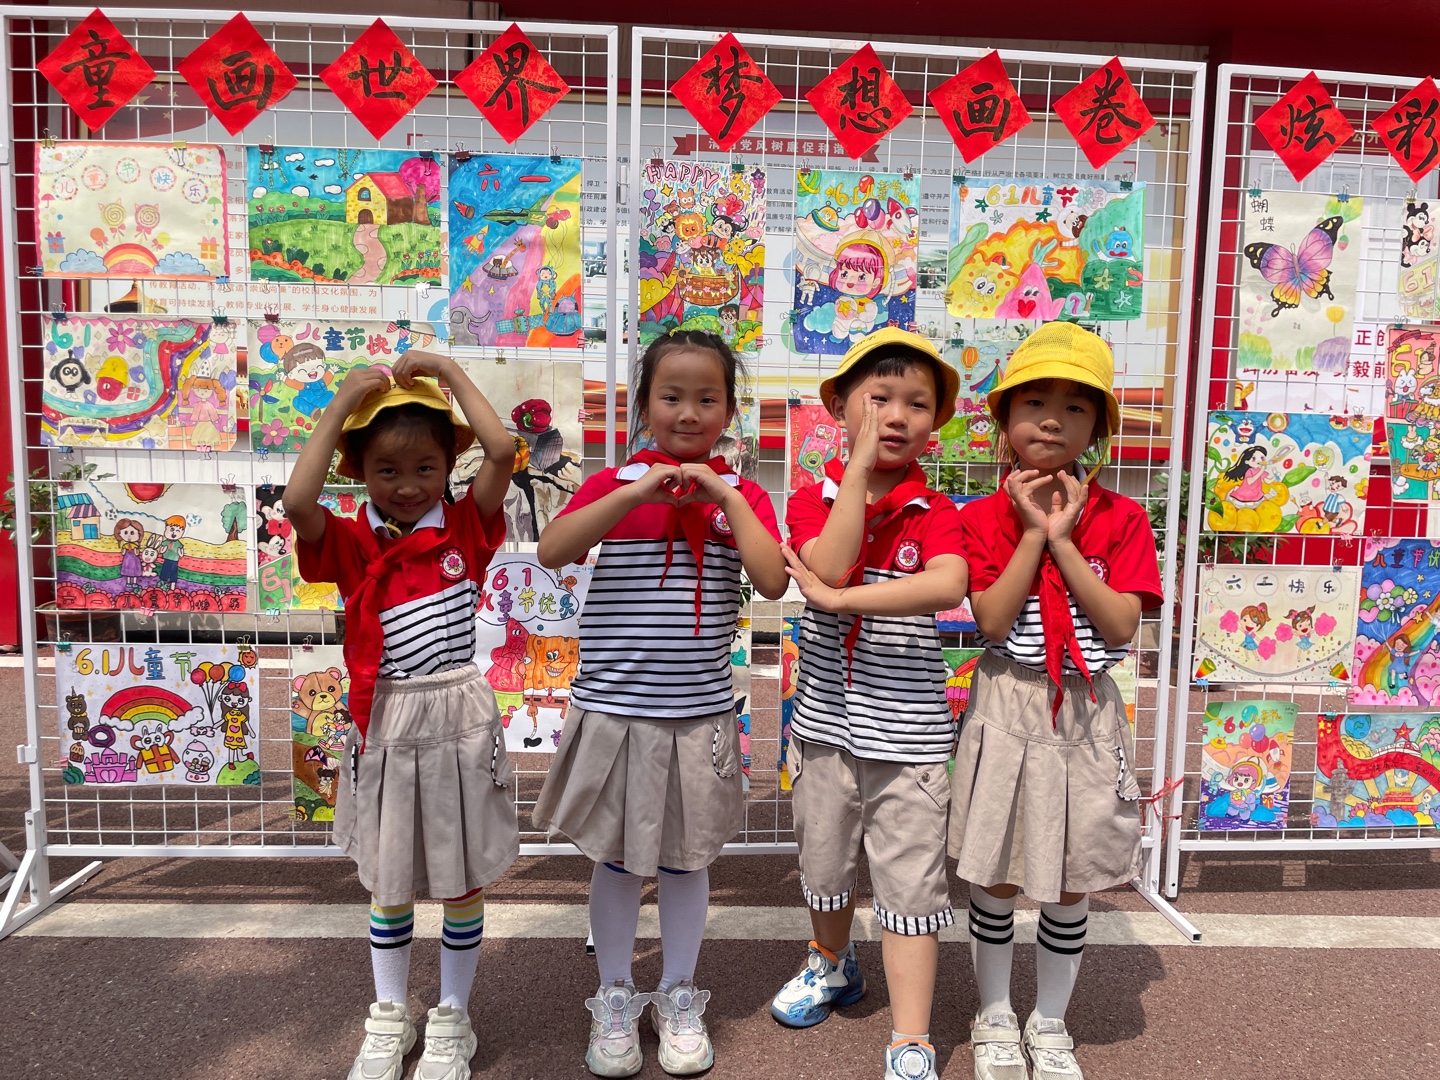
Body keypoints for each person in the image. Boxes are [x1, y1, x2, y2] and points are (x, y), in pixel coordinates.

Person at [532, 329, 787, 1078]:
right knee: (615, 862)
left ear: (729, 411)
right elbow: (553, 549)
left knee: (685, 860)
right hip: (615, 712)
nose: (688, 412)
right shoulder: (615, 483)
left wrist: (725, 494)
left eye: (708, 398)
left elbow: (773, 580)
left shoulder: (742, 496)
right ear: (644, 405)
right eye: (671, 396)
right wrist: (635, 491)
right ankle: (615, 993)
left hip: (699, 715)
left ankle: (678, 993)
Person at [282, 352, 517, 1080]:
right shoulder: (350, 542)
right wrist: (337, 408)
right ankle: (389, 1016)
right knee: (389, 883)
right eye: (387, 470)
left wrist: (448, 371)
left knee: (462, 881)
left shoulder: (466, 528)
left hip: (459, 719)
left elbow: (502, 451)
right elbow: (296, 503)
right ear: (357, 469)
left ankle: (452, 1017)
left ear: (448, 466)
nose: (409, 485)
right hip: (383, 721)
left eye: (425, 468)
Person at [950, 323, 1162, 1080]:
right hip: (1008, 700)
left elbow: (1121, 626)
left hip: (1085, 710)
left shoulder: (1123, 518)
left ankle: (1050, 1021)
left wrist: (1066, 539)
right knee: (997, 871)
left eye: (1075, 408)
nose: (1051, 420)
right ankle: (994, 1015)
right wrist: (1033, 535)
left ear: (1097, 428)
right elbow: (992, 621)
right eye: (1033, 402)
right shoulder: (978, 518)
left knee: (1072, 878)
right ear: (1004, 418)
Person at [770, 328, 969, 1080]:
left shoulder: (936, 508)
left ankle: (911, 1036)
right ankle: (831, 963)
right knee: (824, 864)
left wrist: (843, 601)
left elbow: (947, 584)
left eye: (916, 404)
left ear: (933, 424)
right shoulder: (809, 498)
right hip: (822, 728)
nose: (896, 415)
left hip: (910, 738)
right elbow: (826, 562)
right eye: (879, 398)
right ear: (837, 407)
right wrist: (854, 470)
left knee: (912, 886)